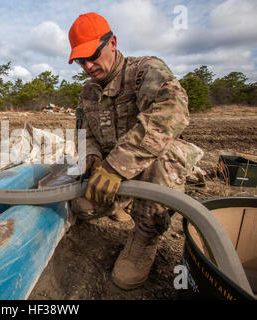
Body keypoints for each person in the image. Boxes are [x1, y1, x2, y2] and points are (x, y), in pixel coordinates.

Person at [68, 12, 204, 290]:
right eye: (81, 60)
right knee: (81, 206)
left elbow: (171, 114)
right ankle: (121, 204)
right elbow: (85, 133)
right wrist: (92, 158)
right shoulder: (88, 92)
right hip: (114, 173)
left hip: (152, 167)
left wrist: (116, 166)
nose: (88, 65)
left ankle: (144, 236)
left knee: (166, 155)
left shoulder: (147, 71)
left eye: (93, 55)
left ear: (113, 42)